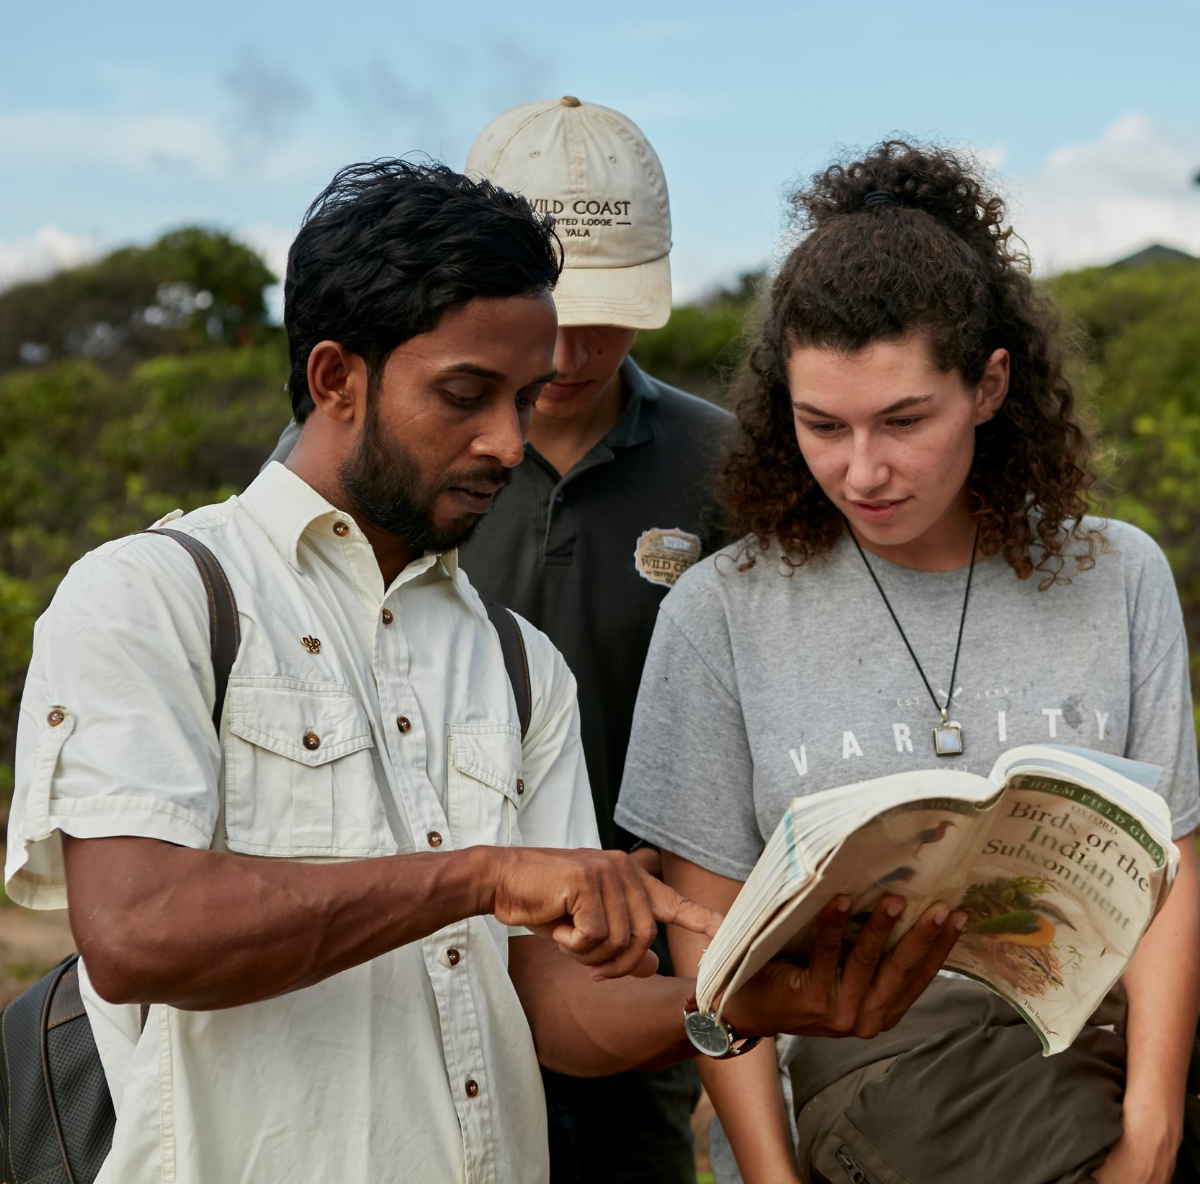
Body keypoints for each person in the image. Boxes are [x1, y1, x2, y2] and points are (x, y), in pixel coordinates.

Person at [7, 157, 963, 1184]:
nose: (507, 443)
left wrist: (736, 1002)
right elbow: (140, 935)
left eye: (522, 397)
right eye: (465, 396)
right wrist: (483, 876)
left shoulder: (518, 666)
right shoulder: (155, 598)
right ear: (336, 379)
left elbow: (556, 1011)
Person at [615, 141, 1200, 1184]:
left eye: (904, 421)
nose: (862, 470)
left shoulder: (1115, 573)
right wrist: (770, 1175)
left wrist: (1150, 1139)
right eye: (821, 426)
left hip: (1114, 1066)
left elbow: (1173, 867)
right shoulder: (724, 611)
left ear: (989, 385)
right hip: (889, 1098)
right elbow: (710, 940)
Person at [456, 95, 735, 1184]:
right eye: (545, 310)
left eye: (604, 312)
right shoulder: (392, 463)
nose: (569, 349)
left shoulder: (724, 467)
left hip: (638, 969)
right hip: (432, 955)